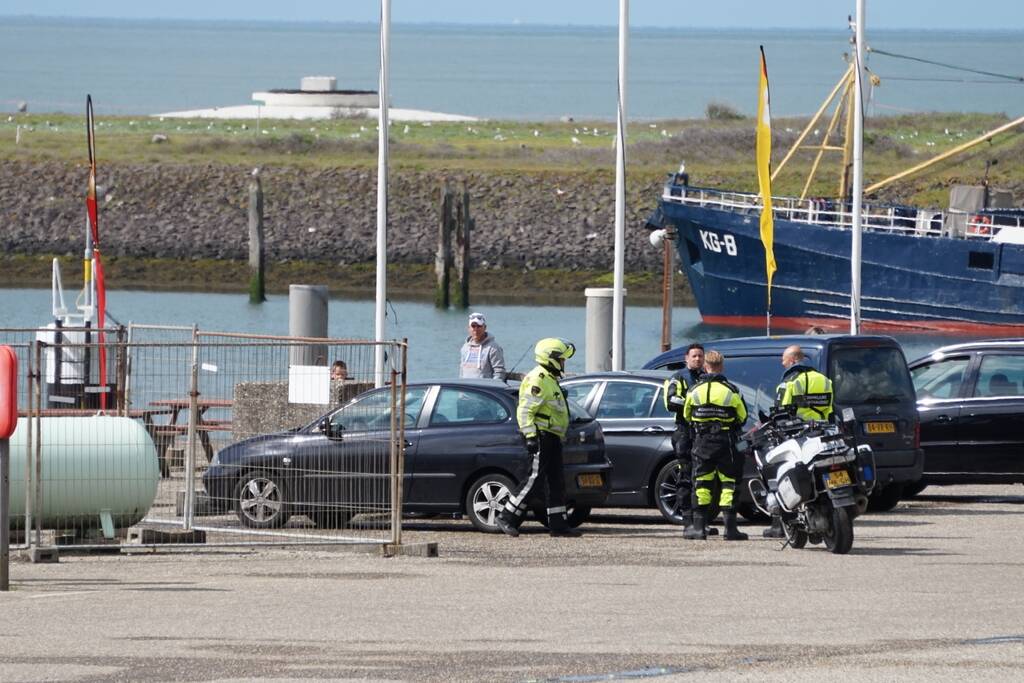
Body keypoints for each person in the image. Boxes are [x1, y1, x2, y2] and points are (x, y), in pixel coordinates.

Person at [496, 338, 580, 538]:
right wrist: (531, 436)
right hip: (541, 436)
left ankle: (558, 525)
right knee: (534, 480)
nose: (563, 363)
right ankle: (507, 516)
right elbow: (525, 411)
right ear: (550, 359)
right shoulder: (538, 379)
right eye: (561, 359)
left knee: (556, 481)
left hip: (553, 437)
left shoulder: (549, 379)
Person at [764, 344, 835, 538]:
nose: (782, 362)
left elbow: (781, 412)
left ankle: (781, 524)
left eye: (784, 359)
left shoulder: (790, 382)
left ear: (793, 360)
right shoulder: (825, 380)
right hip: (822, 432)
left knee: (783, 475)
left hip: (798, 435)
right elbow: (830, 409)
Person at [682, 350, 749, 541]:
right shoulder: (732, 390)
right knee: (729, 483)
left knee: (701, 483)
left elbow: (687, 416)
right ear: (722, 366)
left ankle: (699, 528)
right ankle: (730, 529)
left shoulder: (694, 390)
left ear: (705, 366)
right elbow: (742, 416)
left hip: (702, 442)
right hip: (726, 441)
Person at [662, 343, 705, 525]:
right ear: (686, 358)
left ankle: (701, 520)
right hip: (685, 432)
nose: (697, 359)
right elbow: (671, 401)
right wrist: (694, 404)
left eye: (700, 356)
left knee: (702, 477)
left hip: (703, 433)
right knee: (685, 475)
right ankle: (687, 520)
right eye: (694, 356)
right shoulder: (678, 377)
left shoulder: (706, 378)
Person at [459, 312, 506, 381]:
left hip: (484, 390)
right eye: (473, 326)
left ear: (485, 328)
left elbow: (499, 372)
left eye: (479, 326)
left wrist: (491, 388)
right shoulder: (464, 348)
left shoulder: (493, 348)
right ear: (469, 328)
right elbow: (461, 372)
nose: (476, 329)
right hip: (466, 390)